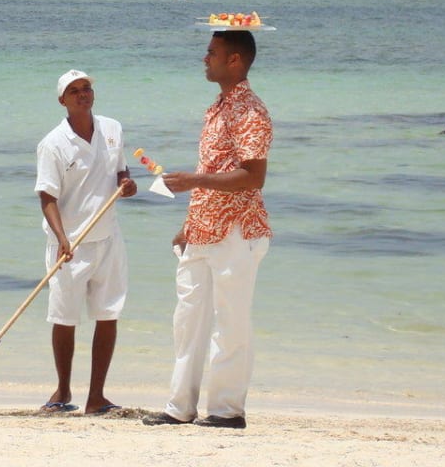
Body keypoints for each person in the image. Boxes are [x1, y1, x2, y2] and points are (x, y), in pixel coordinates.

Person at [143, 30, 272, 429]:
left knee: (231, 321)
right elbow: (215, 167)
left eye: (212, 52)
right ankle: (179, 406)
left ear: (234, 60)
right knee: (188, 320)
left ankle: (227, 410)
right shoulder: (217, 107)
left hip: (237, 230)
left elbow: (253, 177)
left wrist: (194, 181)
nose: (205, 58)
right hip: (202, 229)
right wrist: (189, 223)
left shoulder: (251, 112)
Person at [35, 69, 137, 414]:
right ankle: (63, 390)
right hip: (70, 245)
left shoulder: (112, 129)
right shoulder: (53, 144)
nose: (83, 94)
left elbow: (121, 171)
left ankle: (96, 397)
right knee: (64, 318)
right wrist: (62, 238)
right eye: (75, 90)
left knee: (108, 314)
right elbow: (47, 197)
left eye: (87, 88)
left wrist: (126, 183)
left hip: (108, 238)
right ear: (62, 100)